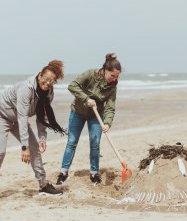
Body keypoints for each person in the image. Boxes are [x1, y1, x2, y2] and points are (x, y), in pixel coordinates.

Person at [0, 60, 66, 195]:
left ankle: (44, 185)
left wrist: (42, 138)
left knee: (35, 149)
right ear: (40, 76)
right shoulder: (26, 88)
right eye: (46, 79)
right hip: (2, 115)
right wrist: (24, 147)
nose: (48, 83)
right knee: (0, 152)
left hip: (18, 119)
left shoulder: (48, 93)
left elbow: (42, 117)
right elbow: (23, 116)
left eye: (51, 81)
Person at [56, 53, 121, 185]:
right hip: (78, 112)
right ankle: (63, 172)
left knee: (95, 143)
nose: (114, 79)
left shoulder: (112, 86)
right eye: (112, 75)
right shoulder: (90, 74)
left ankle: (94, 174)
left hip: (96, 116)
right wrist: (86, 99)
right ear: (105, 71)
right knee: (72, 142)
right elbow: (72, 86)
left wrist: (107, 123)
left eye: (116, 76)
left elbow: (110, 107)